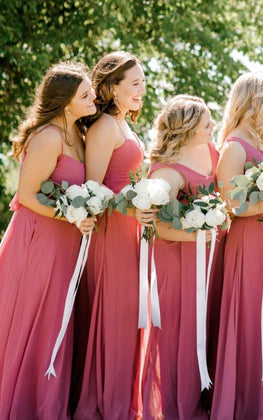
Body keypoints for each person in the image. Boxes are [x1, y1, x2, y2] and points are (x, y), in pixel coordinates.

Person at [0, 62, 96, 418]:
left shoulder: (79, 136)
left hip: (66, 243)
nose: (92, 97)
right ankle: (22, 405)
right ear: (65, 101)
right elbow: (26, 195)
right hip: (38, 240)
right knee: (34, 319)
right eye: (84, 94)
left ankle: (47, 404)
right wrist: (71, 215)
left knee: (56, 320)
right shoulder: (49, 136)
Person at [73, 51, 147, 419]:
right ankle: (106, 403)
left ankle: (123, 399)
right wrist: (132, 205)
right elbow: (93, 191)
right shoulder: (104, 128)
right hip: (111, 233)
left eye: (143, 81)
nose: (142, 89)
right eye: (134, 83)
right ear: (111, 88)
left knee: (129, 314)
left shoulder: (123, 124)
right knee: (114, 315)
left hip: (130, 230)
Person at [141, 95, 225, 419]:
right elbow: (160, 228)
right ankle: (178, 406)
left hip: (207, 257)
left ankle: (208, 398)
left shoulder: (210, 149)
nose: (212, 126)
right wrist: (198, 234)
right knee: (180, 331)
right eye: (206, 123)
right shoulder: (166, 173)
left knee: (205, 324)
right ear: (189, 128)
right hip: (178, 261)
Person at [211, 73, 263, 420]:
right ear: (258, 98)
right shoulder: (235, 145)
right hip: (251, 242)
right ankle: (245, 400)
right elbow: (232, 204)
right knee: (250, 314)